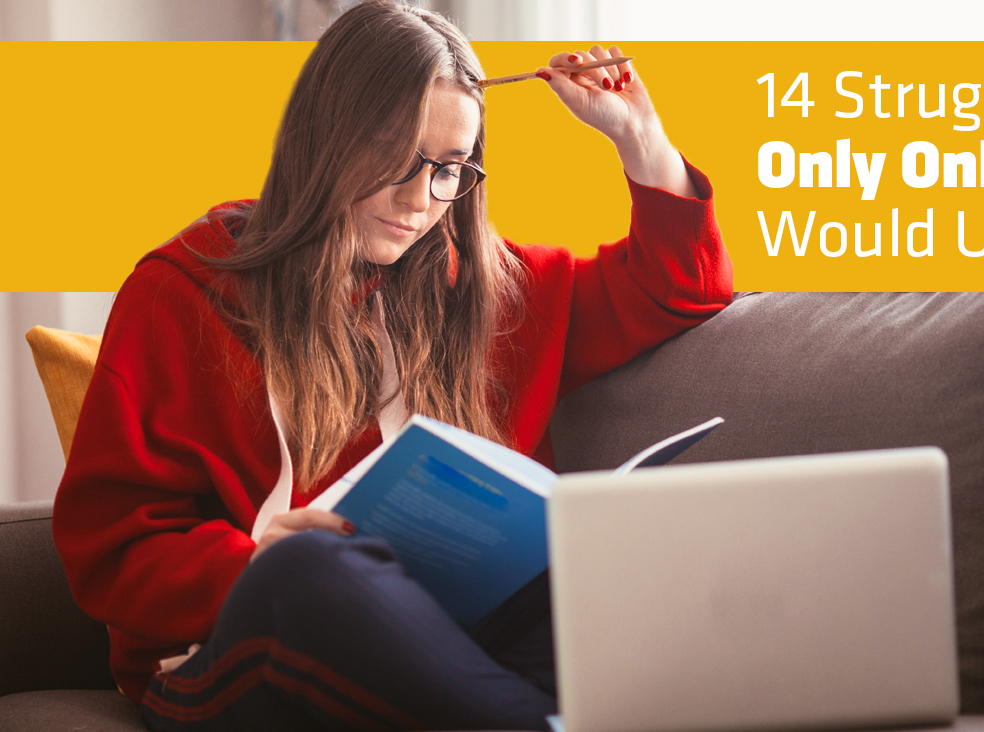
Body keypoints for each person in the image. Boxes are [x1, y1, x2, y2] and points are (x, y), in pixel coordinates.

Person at [50, 2, 732, 730]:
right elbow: (109, 546)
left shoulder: (481, 289)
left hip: (452, 643)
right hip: (230, 650)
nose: (419, 199)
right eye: (396, 159)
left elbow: (679, 286)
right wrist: (248, 560)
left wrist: (639, 135)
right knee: (306, 572)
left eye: (447, 170)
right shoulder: (181, 291)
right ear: (324, 136)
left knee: (608, 571)